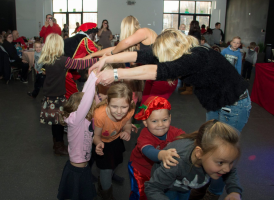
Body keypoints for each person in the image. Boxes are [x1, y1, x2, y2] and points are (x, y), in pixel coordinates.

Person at [90, 28, 251, 133]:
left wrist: (116, 74)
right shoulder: (183, 51)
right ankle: (212, 186)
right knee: (212, 143)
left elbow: (157, 70)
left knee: (223, 149)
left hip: (234, 102)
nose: (159, 58)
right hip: (215, 100)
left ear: (171, 50)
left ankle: (221, 186)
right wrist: (106, 59)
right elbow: (139, 55)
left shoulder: (196, 57)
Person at [144, 120, 242, 200]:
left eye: (231, 162)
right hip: (168, 187)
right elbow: (152, 188)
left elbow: (231, 172)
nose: (227, 169)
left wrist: (234, 192)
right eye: (220, 163)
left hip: (185, 186)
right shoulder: (176, 162)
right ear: (199, 153)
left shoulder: (215, 158)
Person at [38, 33, 99, 155]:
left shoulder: (47, 60)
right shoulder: (62, 60)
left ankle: (57, 143)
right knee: (59, 123)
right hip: (58, 96)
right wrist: (100, 59)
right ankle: (59, 146)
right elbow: (80, 64)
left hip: (49, 96)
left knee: (55, 123)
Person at [128, 96, 185, 200]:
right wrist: (162, 154)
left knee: (156, 193)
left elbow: (185, 138)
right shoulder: (144, 135)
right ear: (145, 122)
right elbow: (148, 150)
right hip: (141, 170)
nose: (160, 125)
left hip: (158, 171)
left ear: (170, 118)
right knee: (141, 193)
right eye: (154, 121)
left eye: (164, 120)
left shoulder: (173, 131)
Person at [57, 71, 98, 200]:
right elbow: (87, 99)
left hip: (83, 168)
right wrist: (94, 78)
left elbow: (85, 96)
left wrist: (91, 78)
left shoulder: (81, 119)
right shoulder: (76, 120)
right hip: (77, 171)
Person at [93, 83, 135, 199]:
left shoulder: (130, 109)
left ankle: (108, 176)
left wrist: (127, 131)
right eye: (114, 106)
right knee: (105, 170)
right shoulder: (101, 115)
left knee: (115, 163)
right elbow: (95, 135)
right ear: (107, 103)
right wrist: (98, 143)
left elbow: (127, 123)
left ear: (130, 104)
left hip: (116, 141)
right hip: (102, 143)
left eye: (124, 107)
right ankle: (105, 192)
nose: (119, 111)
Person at [63, 22, 99, 100]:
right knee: (74, 96)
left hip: (63, 67)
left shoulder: (76, 37)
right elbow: (97, 52)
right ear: (91, 33)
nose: (95, 36)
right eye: (95, 34)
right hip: (65, 70)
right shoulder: (85, 40)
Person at [180, 20, 201, 95]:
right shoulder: (193, 33)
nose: (189, 25)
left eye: (190, 24)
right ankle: (186, 86)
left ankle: (189, 88)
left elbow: (194, 44)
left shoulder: (195, 34)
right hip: (190, 53)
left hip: (192, 54)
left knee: (188, 71)